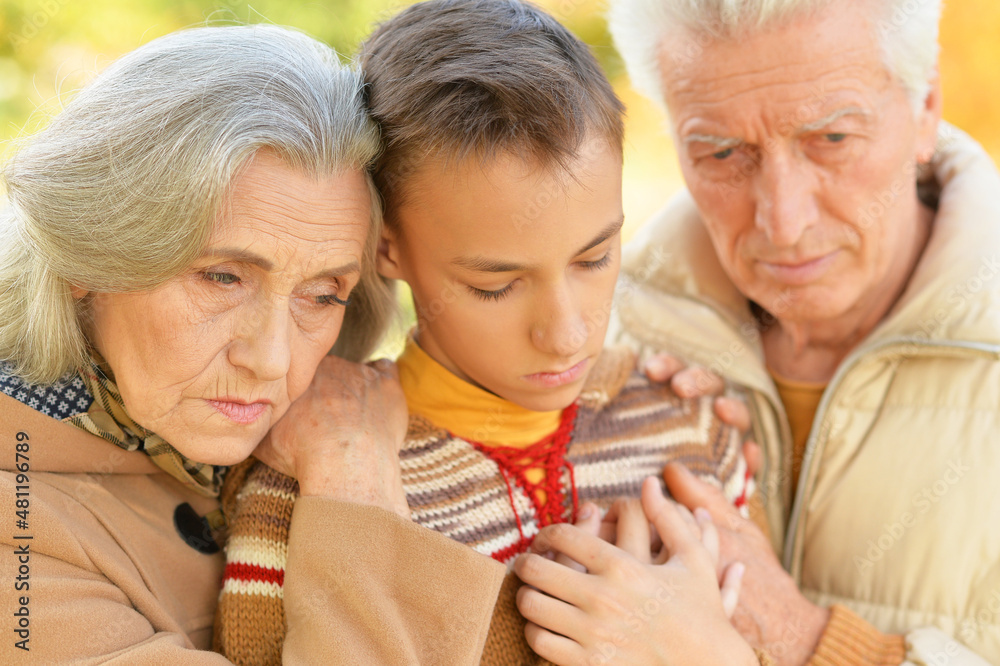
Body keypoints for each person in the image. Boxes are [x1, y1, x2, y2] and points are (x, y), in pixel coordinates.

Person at [214, 2, 770, 665]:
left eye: (594, 259)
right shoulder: (308, 474)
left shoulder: (690, 422)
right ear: (384, 246)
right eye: (495, 286)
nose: (566, 334)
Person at [0, 24, 507, 663]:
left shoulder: (344, 414)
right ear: (86, 259)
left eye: (323, 294)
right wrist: (354, 481)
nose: (271, 360)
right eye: (222, 277)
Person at [513, 0, 1000, 663]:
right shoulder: (592, 344)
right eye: (721, 152)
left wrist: (803, 641)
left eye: (832, 139)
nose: (783, 221)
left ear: (926, 107)